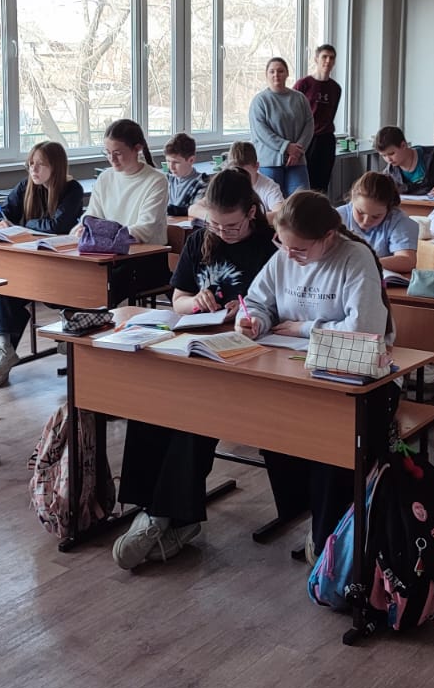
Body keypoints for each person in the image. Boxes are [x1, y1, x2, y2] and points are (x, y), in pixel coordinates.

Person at [113, 170, 300, 569]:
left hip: (251, 354)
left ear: (251, 213)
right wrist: (196, 303)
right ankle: (150, 508)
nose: (223, 232)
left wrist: (250, 312)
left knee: (197, 412)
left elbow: (286, 309)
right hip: (199, 344)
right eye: (216, 224)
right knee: (151, 404)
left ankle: (168, 517)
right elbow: (178, 299)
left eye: (231, 225)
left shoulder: (271, 245)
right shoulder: (201, 239)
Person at [237, 190, 395, 557]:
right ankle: (307, 515)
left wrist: (303, 328)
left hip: (358, 376)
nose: (288, 254)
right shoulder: (285, 254)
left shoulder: (356, 258)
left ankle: (328, 537)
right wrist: (255, 321)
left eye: (299, 249)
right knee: (270, 426)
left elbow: (364, 328)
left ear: (329, 237)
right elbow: (258, 301)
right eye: (282, 244)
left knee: (329, 441)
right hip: (293, 371)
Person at [0, 141, 85, 388]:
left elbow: (58, 226)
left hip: (61, 271)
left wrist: (21, 225)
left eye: (40, 164)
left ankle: (0, 353)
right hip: (30, 265)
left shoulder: (72, 189)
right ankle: (3, 348)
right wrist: (0, 223)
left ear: (55, 166)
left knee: (9, 285)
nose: (33, 170)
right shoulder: (26, 186)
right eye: (30, 164)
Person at [76, 118, 170, 245]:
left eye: (118, 153)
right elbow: (92, 216)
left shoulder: (156, 181)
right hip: (106, 248)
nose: (112, 159)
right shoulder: (104, 178)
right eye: (108, 153)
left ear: (137, 149)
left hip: (144, 252)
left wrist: (104, 234)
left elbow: (144, 230)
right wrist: (83, 228)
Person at [248, 55, 314, 197]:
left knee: (301, 202)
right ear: (266, 74)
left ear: (287, 73)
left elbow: (309, 125)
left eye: (280, 71)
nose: (276, 74)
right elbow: (261, 131)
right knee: (272, 203)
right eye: (272, 71)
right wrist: (286, 147)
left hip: (297, 160)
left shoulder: (300, 98)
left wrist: (297, 151)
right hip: (270, 162)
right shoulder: (260, 101)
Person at [337, 171, 420, 275]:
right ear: (352, 199)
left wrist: (365, 263)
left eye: (375, 216)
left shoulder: (399, 221)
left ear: (389, 209)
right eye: (360, 212)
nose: (366, 221)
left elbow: (407, 260)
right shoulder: (337, 217)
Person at [292, 44, 343, 192]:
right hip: (307, 139)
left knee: (322, 183)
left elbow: (331, 114)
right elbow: (292, 112)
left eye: (331, 58)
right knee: (304, 181)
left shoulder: (335, 88)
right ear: (316, 59)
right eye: (324, 57)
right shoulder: (304, 84)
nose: (328, 61)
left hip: (326, 139)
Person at [193, 139, 283, 217]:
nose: (240, 179)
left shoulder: (270, 187)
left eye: (245, 173)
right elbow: (194, 209)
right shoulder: (224, 184)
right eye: (235, 173)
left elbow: (280, 215)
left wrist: (244, 219)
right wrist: (215, 218)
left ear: (256, 166)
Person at [373, 125, 434, 197]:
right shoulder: (390, 172)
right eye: (383, 156)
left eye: (391, 153)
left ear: (403, 145)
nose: (388, 159)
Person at [163, 132, 208, 217]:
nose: (171, 167)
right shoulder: (166, 179)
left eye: (176, 162)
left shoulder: (202, 182)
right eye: (168, 161)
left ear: (191, 160)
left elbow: (195, 211)